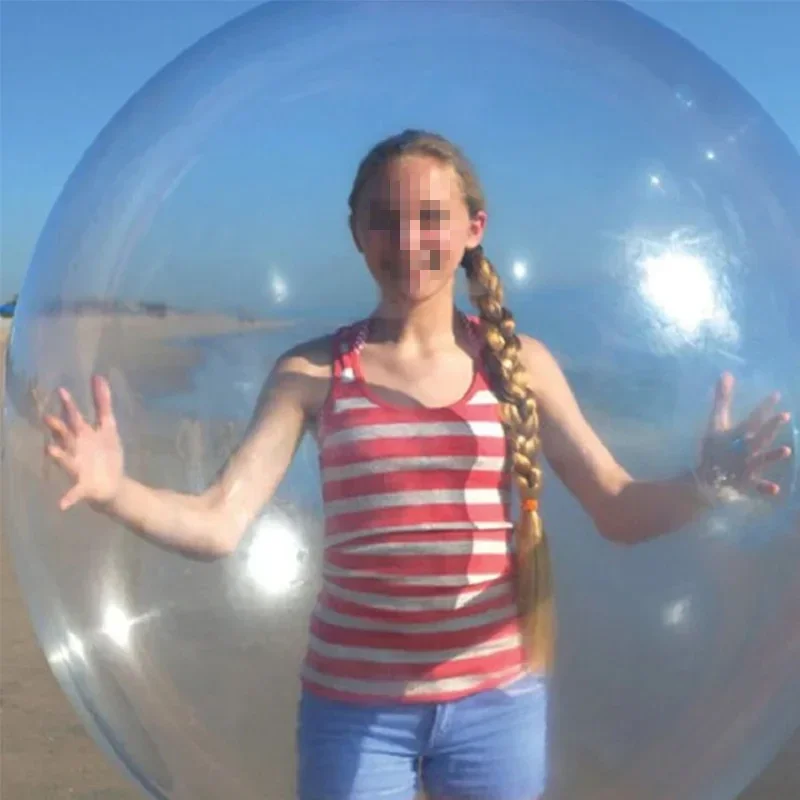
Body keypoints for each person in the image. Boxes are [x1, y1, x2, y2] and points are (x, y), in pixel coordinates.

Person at [43, 130, 792, 800]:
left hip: (498, 703)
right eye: (385, 218)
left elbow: (616, 506)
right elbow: (217, 523)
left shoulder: (518, 366)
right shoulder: (311, 372)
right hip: (353, 706)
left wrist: (707, 487)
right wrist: (114, 490)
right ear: (357, 234)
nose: (408, 240)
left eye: (432, 217)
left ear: (474, 229)